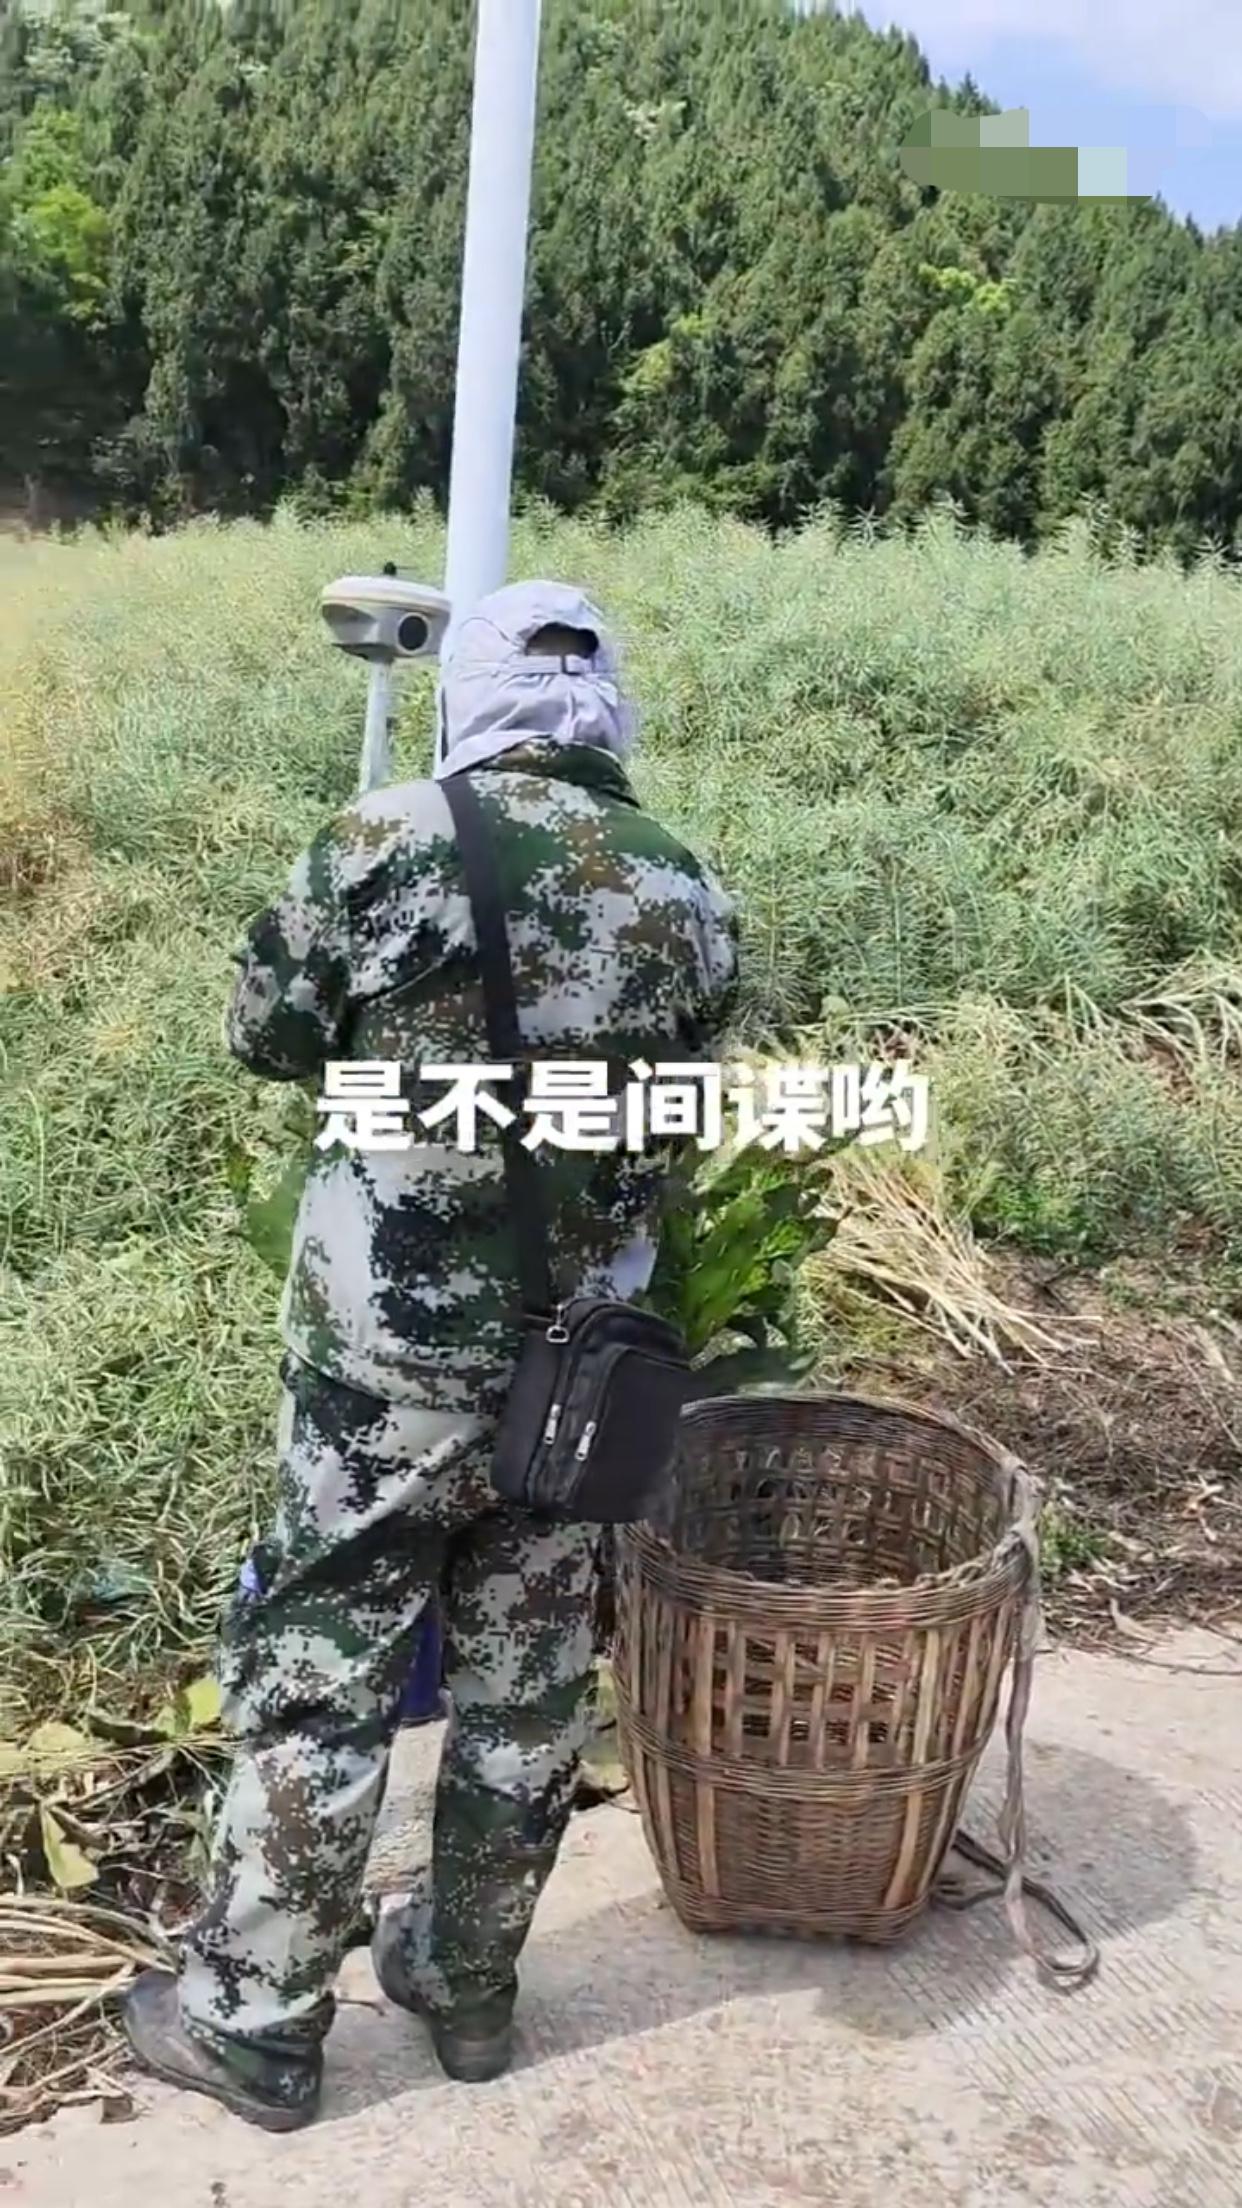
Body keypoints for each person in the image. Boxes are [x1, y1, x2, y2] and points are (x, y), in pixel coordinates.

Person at [121, 580, 740, 2130]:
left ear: (466, 691)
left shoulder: (381, 842)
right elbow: (681, 1107)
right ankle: (467, 1990)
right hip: (576, 1382)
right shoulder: (685, 882)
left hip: (381, 1378)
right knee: (527, 1695)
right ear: (605, 705)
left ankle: (257, 2024)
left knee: (317, 1674)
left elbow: (263, 1038)